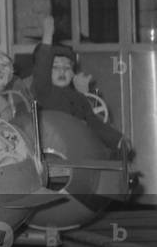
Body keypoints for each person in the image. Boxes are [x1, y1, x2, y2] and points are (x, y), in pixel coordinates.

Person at [33, 15, 127, 154]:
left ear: (73, 74)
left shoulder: (79, 98)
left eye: (67, 67)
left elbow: (95, 123)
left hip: (79, 150)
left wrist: (118, 139)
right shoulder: (44, 91)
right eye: (56, 67)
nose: (62, 71)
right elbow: (41, 68)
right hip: (54, 152)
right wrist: (47, 37)